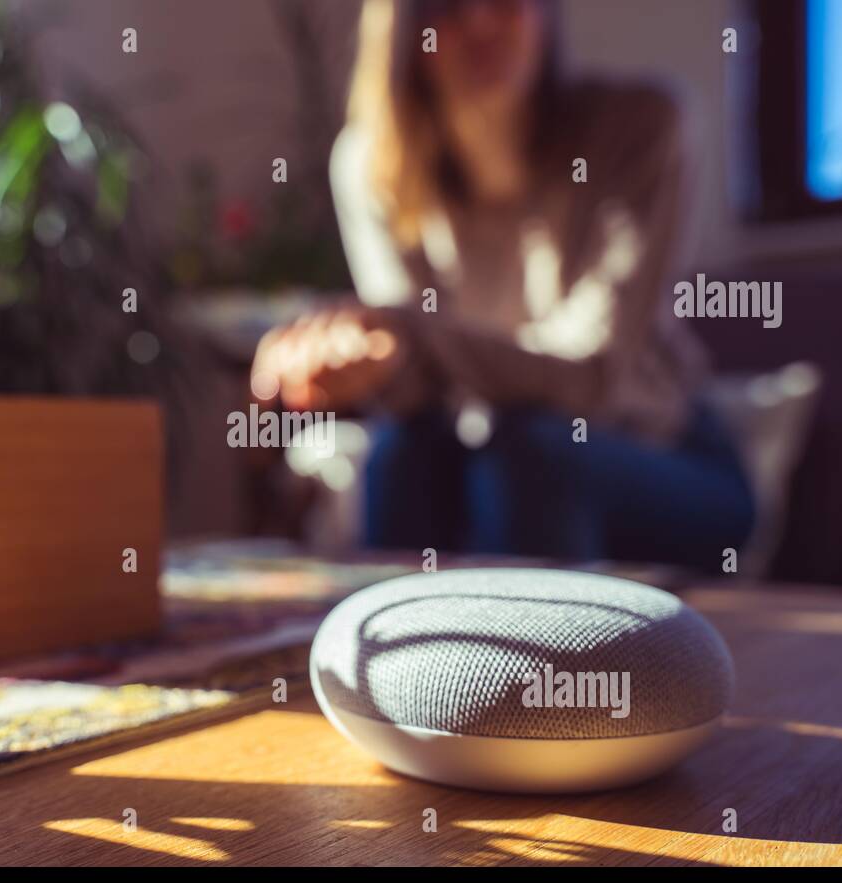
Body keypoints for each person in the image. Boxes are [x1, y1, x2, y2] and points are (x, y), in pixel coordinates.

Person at [249, 0, 755, 570]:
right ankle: (388, 655)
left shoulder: (641, 125)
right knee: (399, 453)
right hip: (481, 455)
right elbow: (419, 386)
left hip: (667, 459)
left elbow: (591, 375)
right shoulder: (370, 165)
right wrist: (370, 361)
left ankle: (542, 659)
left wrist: (405, 334)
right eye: (447, 8)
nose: (482, 24)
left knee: (528, 449)